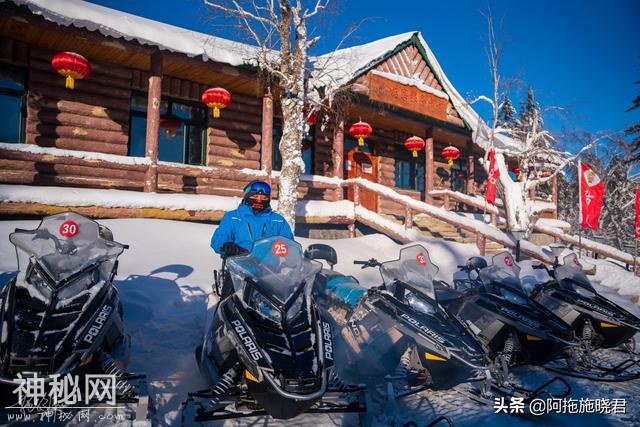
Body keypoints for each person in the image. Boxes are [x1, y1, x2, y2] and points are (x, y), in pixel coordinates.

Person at [211, 180, 293, 257]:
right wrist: (226, 244)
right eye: (255, 196)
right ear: (247, 196)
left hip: (269, 269)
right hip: (239, 265)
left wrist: (285, 254)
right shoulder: (233, 217)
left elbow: (289, 244)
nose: (259, 200)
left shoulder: (277, 220)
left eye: (264, 198)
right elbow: (220, 237)